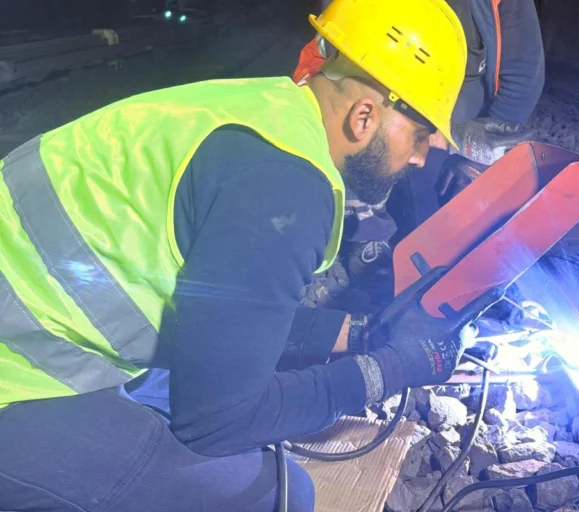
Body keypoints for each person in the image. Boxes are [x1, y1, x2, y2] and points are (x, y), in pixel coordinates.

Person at [0, 0, 502, 510]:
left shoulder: (263, 112)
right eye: (420, 134)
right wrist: (388, 370)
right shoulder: (285, 185)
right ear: (365, 115)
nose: (420, 156)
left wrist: (365, 334)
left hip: (28, 332)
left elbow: (223, 314)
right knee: (273, 494)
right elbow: (217, 423)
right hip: (14, 382)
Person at [294, 0, 546, 275]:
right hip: (386, 104)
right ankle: (367, 227)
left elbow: (523, 72)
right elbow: (325, 88)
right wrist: (448, 139)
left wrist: (482, 150)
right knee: (365, 157)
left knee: (440, 220)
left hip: (454, 109)